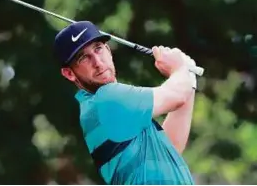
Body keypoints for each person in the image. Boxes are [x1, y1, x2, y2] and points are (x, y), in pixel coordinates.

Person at [53, 21, 197, 185]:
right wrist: (179, 68)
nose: (98, 62)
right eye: (84, 58)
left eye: (98, 48)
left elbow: (171, 146)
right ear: (69, 73)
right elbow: (176, 95)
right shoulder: (106, 99)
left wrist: (188, 77)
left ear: (108, 50)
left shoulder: (117, 109)